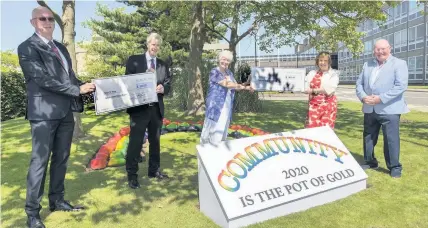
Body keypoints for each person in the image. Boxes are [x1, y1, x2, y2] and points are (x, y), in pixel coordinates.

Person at [17, 6, 95, 228]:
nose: (47, 21)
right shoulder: (27, 48)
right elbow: (42, 79)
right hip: (42, 114)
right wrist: (75, 91)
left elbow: (69, 78)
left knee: (61, 158)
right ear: (33, 22)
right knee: (39, 162)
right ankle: (32, 214)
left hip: (65, 113)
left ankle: (57, 200)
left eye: (50, 18)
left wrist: (86, 86)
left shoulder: (60, 47)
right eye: (42, 18)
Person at [356, 39, 409, 178]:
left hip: (390, 109)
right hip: (369, 108)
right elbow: (359, 84)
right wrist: (363, 97)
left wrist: (381, 98)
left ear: (389, 48)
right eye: (377, 49)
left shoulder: (399, 64)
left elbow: (400, 86)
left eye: (383, 49)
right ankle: (370, 161)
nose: (380, 52)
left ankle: (394, 167)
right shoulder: (367, 64)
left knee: (391, 139)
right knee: (368, 137)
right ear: (374, 50)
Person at [124, 33, 171, 189]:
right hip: (139, 110)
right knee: (135, 144)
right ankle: (132, 176)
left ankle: (154, 171)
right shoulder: (134, 60)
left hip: (156, 109)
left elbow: (168, 84)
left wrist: (163, 88)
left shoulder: (163, 64)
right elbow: (127, 82)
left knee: (155, 142)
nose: (155, 47)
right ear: (147, 44)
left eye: (157, 45)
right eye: (153, 44)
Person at [200, 50, 253, 145]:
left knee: (223, 131)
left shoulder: (229, 73)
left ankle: (219, 151)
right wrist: (243, 86)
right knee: (212, 132)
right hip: (215, 107)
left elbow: (236, 86)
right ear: (219, 59)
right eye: (223, 59)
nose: (225, 62)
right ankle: (207, 152)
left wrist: (247, 85)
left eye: (227, 60)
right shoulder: (214, 72)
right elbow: (228, 85)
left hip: (227, 106)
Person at [304, 52, 340, 129]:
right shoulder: (312, 73)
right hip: (313, 106)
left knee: (325, 131)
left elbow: (329, 89)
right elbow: (304, 85)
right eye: (320, 60)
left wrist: (313, 90)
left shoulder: (333, 74)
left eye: (325, 60)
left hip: (328, 107)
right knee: (311, 130)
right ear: (317, 62)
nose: (322, 63)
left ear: (329, 62)